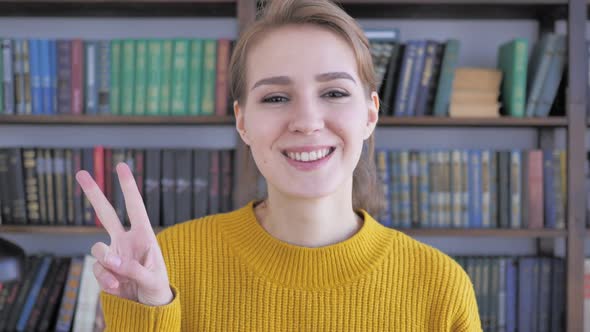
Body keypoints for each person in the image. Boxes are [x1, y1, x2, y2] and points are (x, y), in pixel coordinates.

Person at [75, 0, 482, 330]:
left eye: (335, 92)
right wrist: (144, 316)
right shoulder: (167, 266)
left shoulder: (440, 286)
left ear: (370, 114)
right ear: (242, 121)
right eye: (275, 98)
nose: (307, 122)